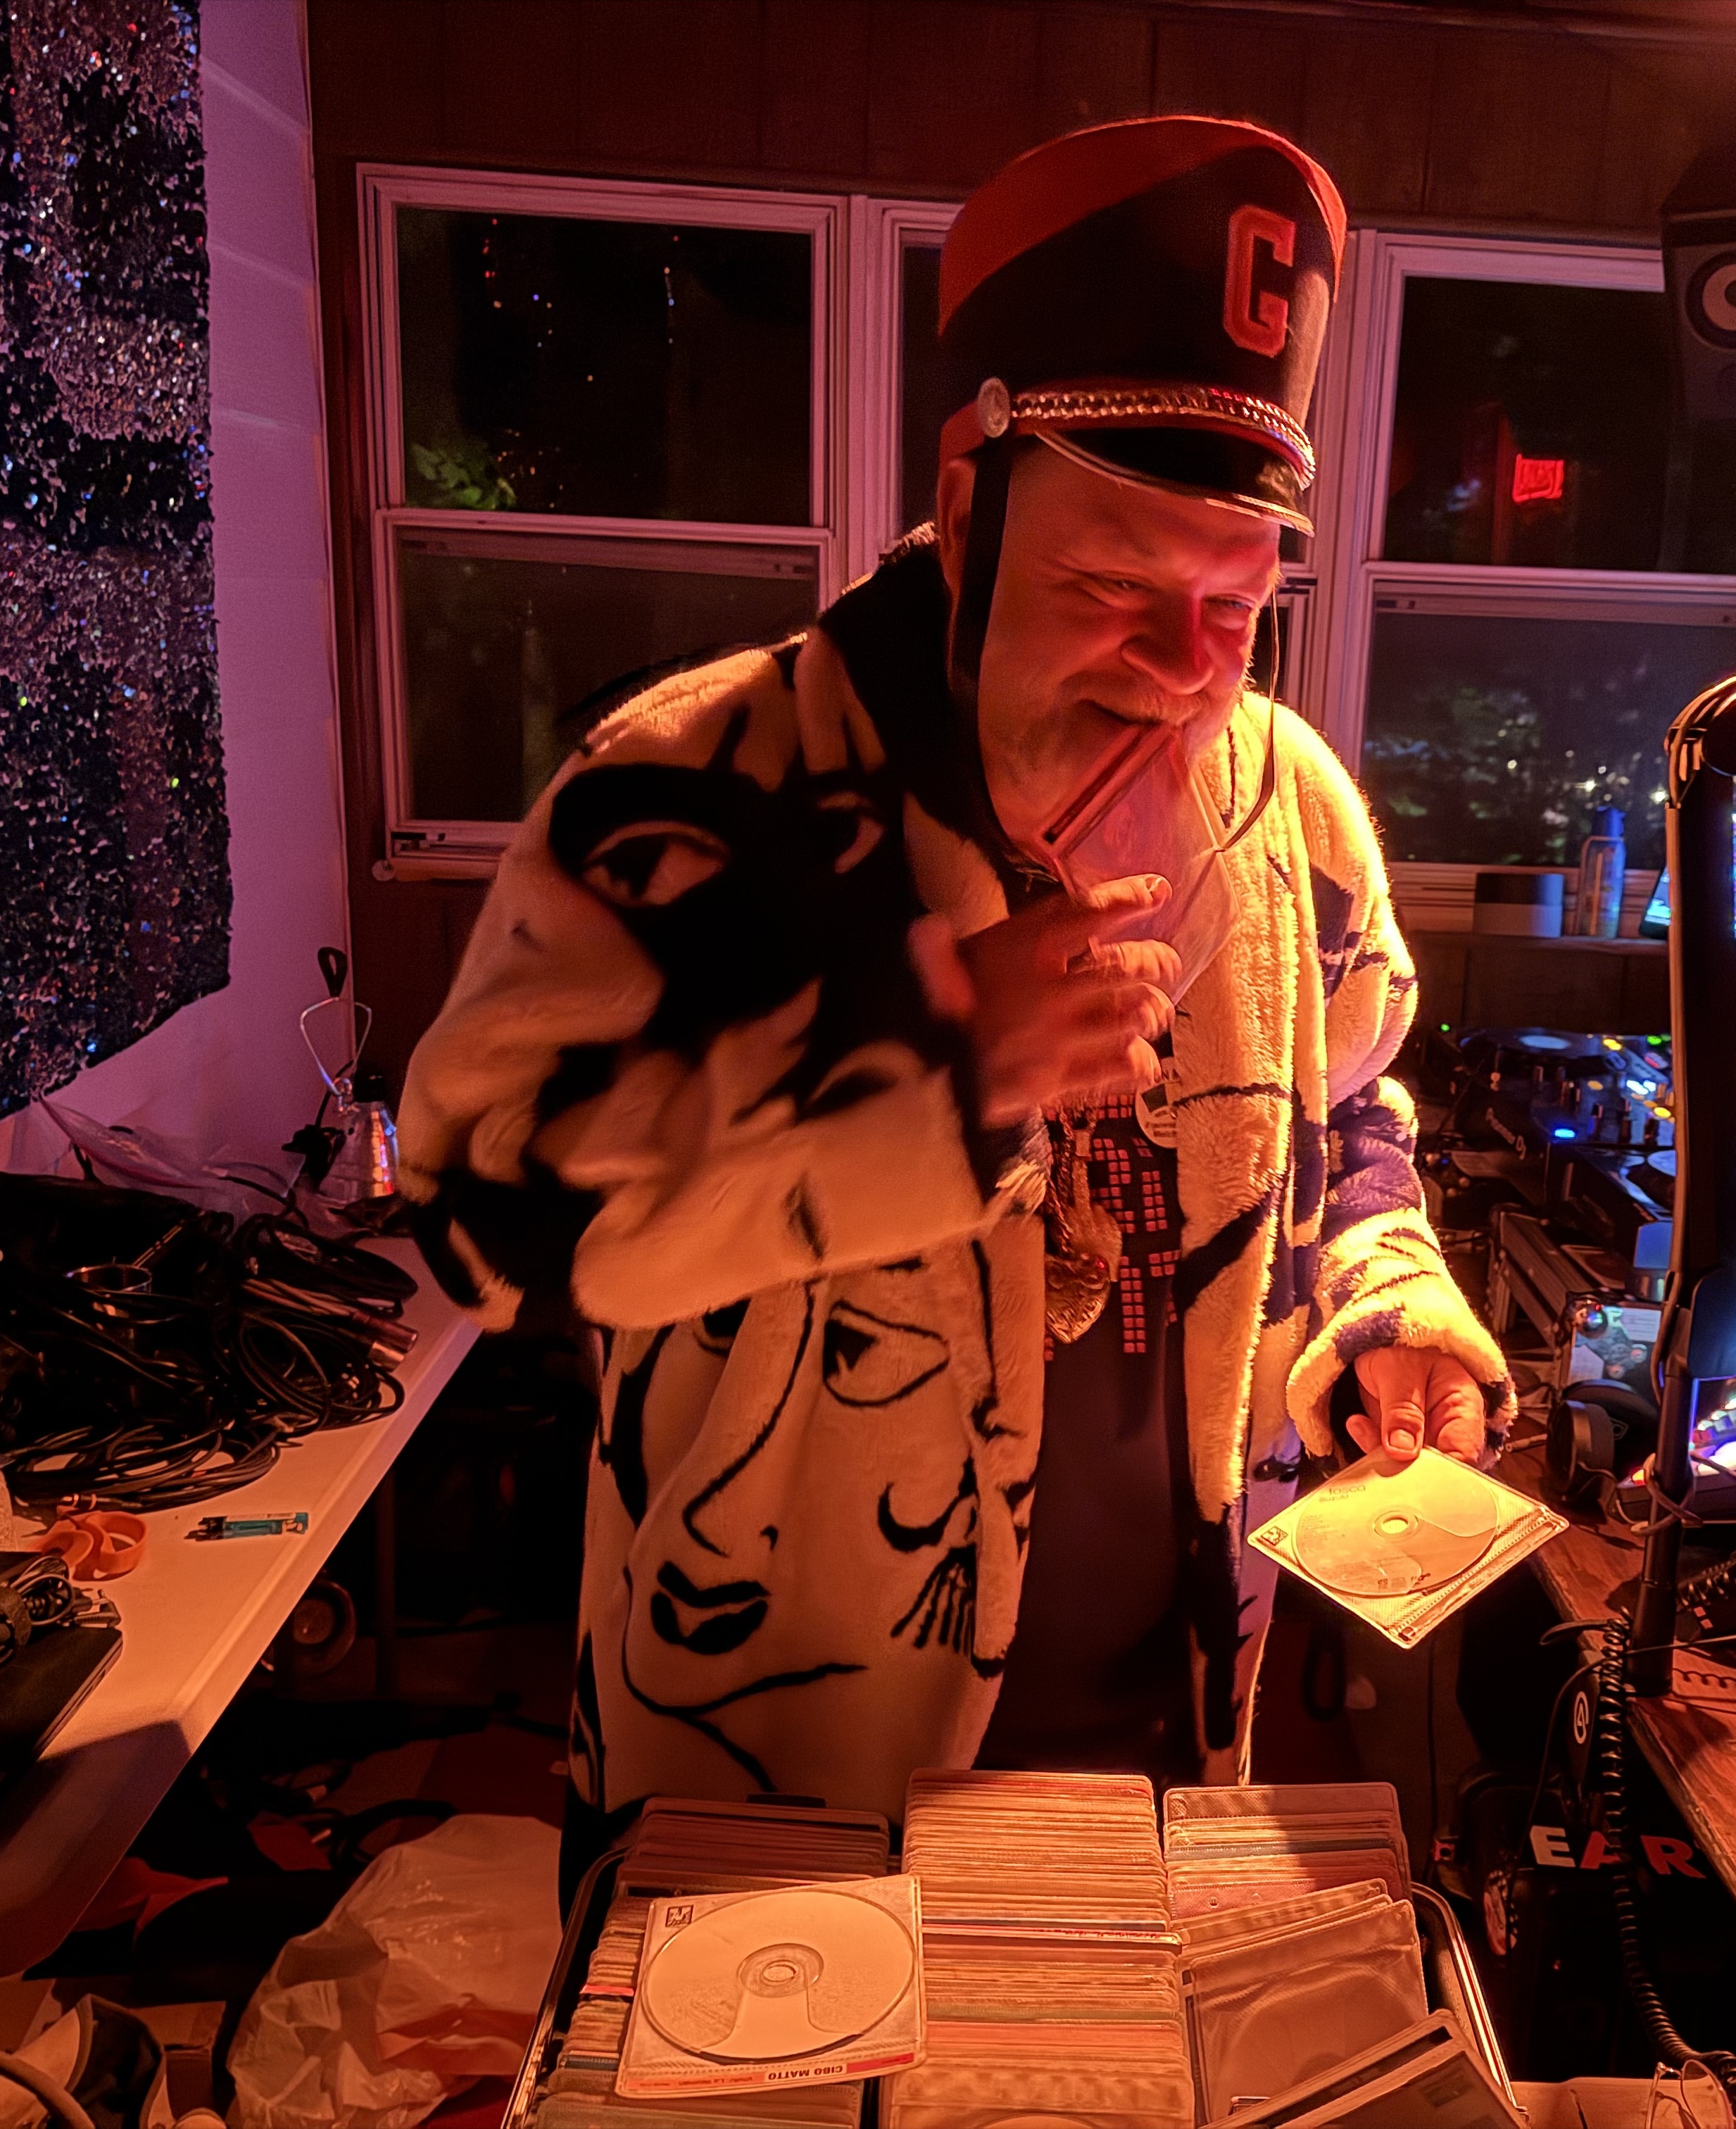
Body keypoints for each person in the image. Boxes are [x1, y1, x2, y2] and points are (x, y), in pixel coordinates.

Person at [396, 117, 1512, 1892]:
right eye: (1115, 586)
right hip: (774, 1770)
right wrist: (921, 1070)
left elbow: (1357, 1101)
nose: (1188, 672)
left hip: (1170, 1742)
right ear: (969, 505)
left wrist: (1388, 1310)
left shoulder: (1289, 799)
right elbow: (477, 1219)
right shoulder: (692, 786)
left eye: (1238, 604)